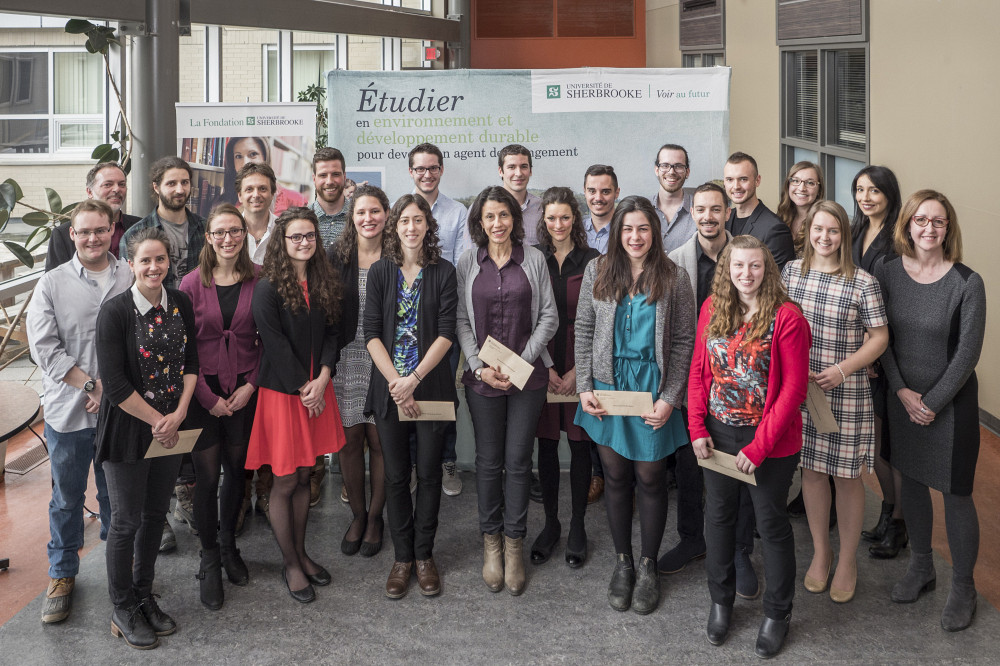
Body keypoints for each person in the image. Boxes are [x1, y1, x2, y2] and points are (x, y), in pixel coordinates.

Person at [688, 235, 810, 658]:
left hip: (771, 443)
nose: (746, 274)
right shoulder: (712, 308)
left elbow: (793, 389)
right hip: (718, 436)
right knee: (718, 518)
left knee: (771, 525)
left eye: (755, 266)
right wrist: (696, 428)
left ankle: (777, 613)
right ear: (727, 269)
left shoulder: (787, 317)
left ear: (767, 269)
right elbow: (699, 373)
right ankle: (721, 602)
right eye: (738, 266)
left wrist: (758, 448)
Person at [574, 195, 695, 615]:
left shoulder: (675, 277)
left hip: (652, 389)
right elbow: (584, 329)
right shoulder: (598, 270)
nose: (635, 236)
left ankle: (648, 565)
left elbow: (683, 343)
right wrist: (584, 385)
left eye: (643, 228)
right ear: (617, 232)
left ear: (654, 233)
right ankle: (623, 562)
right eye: (627, 228)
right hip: (607, 387)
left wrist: (670, 398)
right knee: (615, 475)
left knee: (651, 477)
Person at [876, 190, 985, 632]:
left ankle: (963, 586)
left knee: (956, 494)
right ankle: (922, 566)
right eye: (921, 219)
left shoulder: (966, 282)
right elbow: (880, 337)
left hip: (951, 407)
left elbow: (967, 354)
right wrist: (902, 391)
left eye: (938, 222)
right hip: (902, 399)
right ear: (907, 224)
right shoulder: (887, 272)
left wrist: (932, 403)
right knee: (913, 485)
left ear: (948, 229)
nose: (928, 228)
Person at [27, 200, 133, 624]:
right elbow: (44, 347)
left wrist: (111, 391)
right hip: (69, 411)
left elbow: (140, 339)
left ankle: (118, 577)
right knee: (67, 498)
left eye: (101, 230)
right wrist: (91, 385)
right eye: (84, 231)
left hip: (121, 411)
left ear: (113, 230)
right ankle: (62, 575)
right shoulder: (51, 283)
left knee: (117, 498)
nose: (93, 238)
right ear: (71, 234)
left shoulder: (129, 275)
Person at [95, 227, 199, 649]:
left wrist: (180, 413)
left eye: (160, 259)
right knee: (125, 522)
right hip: (127, 430)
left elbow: (192, 360)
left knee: (156, 515)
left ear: (169, 262)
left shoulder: (182, 303)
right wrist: (161, 419)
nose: (154, 267)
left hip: (169, 428)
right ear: (130, 264)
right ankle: (121, 607)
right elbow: (116, 386)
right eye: (145, 261)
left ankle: (143, 595)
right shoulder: (115, 312)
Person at [781, 201, 888, 604]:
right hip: (802, 393)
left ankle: (847, 560)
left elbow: (879, 338)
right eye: (818, 229)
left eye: (833, 231)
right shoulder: (792, 272)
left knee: (846, 477)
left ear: (844, 235)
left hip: (846, 391)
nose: (824, 238)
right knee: (809, 473)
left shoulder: (863, 283)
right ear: (808, 231)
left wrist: (842, 370)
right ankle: (821, 553)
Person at [456, 185, 558, 596]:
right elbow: (461, 320)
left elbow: (548, 316)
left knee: (518, 462)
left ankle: (514, 545)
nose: (498, 223)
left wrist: (521, 363)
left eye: (504, 215)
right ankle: (491, 543)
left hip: (526, 381)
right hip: (483, 381)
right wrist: (480, 366)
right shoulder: (467, 262)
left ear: (515, 220)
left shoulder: (533, 259)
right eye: (490, 217)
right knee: (487, 462)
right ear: (479, 223)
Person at [246, 207, 346, 603]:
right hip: (285, 395)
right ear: (282, 242)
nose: (304, 243)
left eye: (310, 236)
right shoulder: (268, 287)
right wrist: (306, 387)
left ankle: (302, 553)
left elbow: (333, 333)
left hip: (318, 388)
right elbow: (274, 345)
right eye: (295, 237)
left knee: (308, 474)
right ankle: (290, 563)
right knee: (286, 480)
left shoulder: (323, 280)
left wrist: (323, 377)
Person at [364, 193, 458, 598]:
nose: (411, 227)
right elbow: (370, 333)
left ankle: (424, 555)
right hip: (389, 391)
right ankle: (402, 558)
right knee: (397, 475)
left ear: (428, 226)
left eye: (418, 220)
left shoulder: (444, 272)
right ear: (394, 225)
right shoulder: (380, 272)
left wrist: (413, 379)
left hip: (431, 389)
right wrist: (396, 384)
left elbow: (447, 333)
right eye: (404, 220)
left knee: (431, 472)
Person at [120, 156, 206, 549]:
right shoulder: (138, 234)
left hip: (197, 331)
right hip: (149, 343)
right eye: (171, 183)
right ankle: (159, 511)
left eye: (185, 182)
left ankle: (184, 501)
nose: (179, 189)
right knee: (153, 429)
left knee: (185, 424)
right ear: (156, 186)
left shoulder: (204, 228)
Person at [179, 204, 261, 609]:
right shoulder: (191, 284)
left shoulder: (259, 279)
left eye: (234, 231)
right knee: (207, 480)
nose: (227, 239)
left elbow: (270, 340)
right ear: (208, 238)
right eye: (219, 232)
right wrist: (208, 400)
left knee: (237, 476)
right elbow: (184, 348)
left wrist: (250, 388)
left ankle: (230, 545)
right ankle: (209, 556)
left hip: (245, 390)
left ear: (244, 234)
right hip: (202, 393)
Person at [663, 182, 734, 576]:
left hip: (738, 383)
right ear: (692, 213)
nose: (708, 217)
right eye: (701, 210)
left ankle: (738, 546)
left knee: (735, 466)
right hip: (693, 379)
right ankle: (692, 538)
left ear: (727, 213)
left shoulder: (748, 256)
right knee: (690, 463)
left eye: (716, 209)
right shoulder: (675, 261)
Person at [530, 187, 601, 569]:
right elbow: (529, 319)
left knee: (578, 446)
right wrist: (548, 368)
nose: (558, 225)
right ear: (543, 220)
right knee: (545, 446)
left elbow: (602, 320)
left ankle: (577, 526)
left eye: (565, 217)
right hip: (543, 361)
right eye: (551, 218)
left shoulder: (593, 260)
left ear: (576, 218)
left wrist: (578, 370)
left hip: (580, 360)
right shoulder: (533, 258)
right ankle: (552, 524)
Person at [327, 185, 390, 557]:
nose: (368, 218)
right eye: (361, 212)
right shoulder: (336, 257)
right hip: (348, 358)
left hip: (386, 361)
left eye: (375, 211)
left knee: (381, 442)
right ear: (352, 217)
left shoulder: (399, 256)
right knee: (350, 441)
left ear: (386, 214)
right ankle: (357, 514)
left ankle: (377, 516)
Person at [850, 165, 907, 559]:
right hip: (861, 352)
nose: (866, 197)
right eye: (859, 190)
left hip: (887, 353)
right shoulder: (855, 232)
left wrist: (877, 355)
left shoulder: (900, 239)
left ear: (889, 194)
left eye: (874, 190)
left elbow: (898, 306)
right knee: (876, 441)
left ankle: (900, 521)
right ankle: (888, 510)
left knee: (889, 445)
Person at [409, 142, 469, 496]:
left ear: (441, 170)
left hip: (445, 318)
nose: (427, 174)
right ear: (411, 172)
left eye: (433, 168)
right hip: (407, 321)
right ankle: (417, 464)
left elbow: (460, 267)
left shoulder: (457, 212)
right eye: (420, 169)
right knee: (411, 389)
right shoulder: (400, 208)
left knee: (445, 393)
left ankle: (447, 462)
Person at [45, 162, 140, 270]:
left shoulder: (141, 227)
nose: (117, 189)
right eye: (108, 184)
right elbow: (56, 280)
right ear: (89, 192)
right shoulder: (63, 234)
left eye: (122, 184)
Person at [723, 152, 795, 269]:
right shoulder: (725, 220)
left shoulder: (775, 230)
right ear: (724, 183)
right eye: (730, 179)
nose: (736, 186)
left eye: (743, 179)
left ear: (757, 180)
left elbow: (776, 281)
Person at [215, 136, 306, 216]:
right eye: (238, 156)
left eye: (253, 154)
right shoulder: (223, 202)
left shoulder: (296, 201)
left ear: (265, 157)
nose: (245, 163)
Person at [651, 144, 696, 253]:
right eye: (665, 165)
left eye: (678, 166)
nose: (671, 172)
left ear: (687, 172)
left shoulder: (700, 210)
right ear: (657, 170)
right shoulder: (642, 208)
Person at [496, 144, 542, 245]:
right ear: (501, 171)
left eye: (524, 167)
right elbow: (471, 254)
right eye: (511, 167)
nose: (518, 173)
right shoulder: (483, 208)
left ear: (530, 171)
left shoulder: (542, 208)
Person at [775, 161, 825, 256]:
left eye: (810, 183)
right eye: (795, 181)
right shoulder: (782, 216)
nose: (802, 188)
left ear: (819, 189)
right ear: (788, 185)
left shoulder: (822, 222)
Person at [237, 162, 278, 265]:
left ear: (272, 194)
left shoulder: (284, 230)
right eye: (249, 189)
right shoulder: (227, 232)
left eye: (262, 189)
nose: (256, 195)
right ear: (240, 196)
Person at [310, 147, 350, 248]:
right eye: (323, 175)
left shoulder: (360, 218)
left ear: (344, 177)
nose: (329, 181)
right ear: (314, 179)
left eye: (335, 174)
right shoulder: (301, 218)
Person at [582, 164, 620, 255]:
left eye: (605, 192)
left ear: (617, 193)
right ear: (585, 192)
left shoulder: (627, 230)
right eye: (592, 191)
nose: (598, 198)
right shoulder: (575, 230)